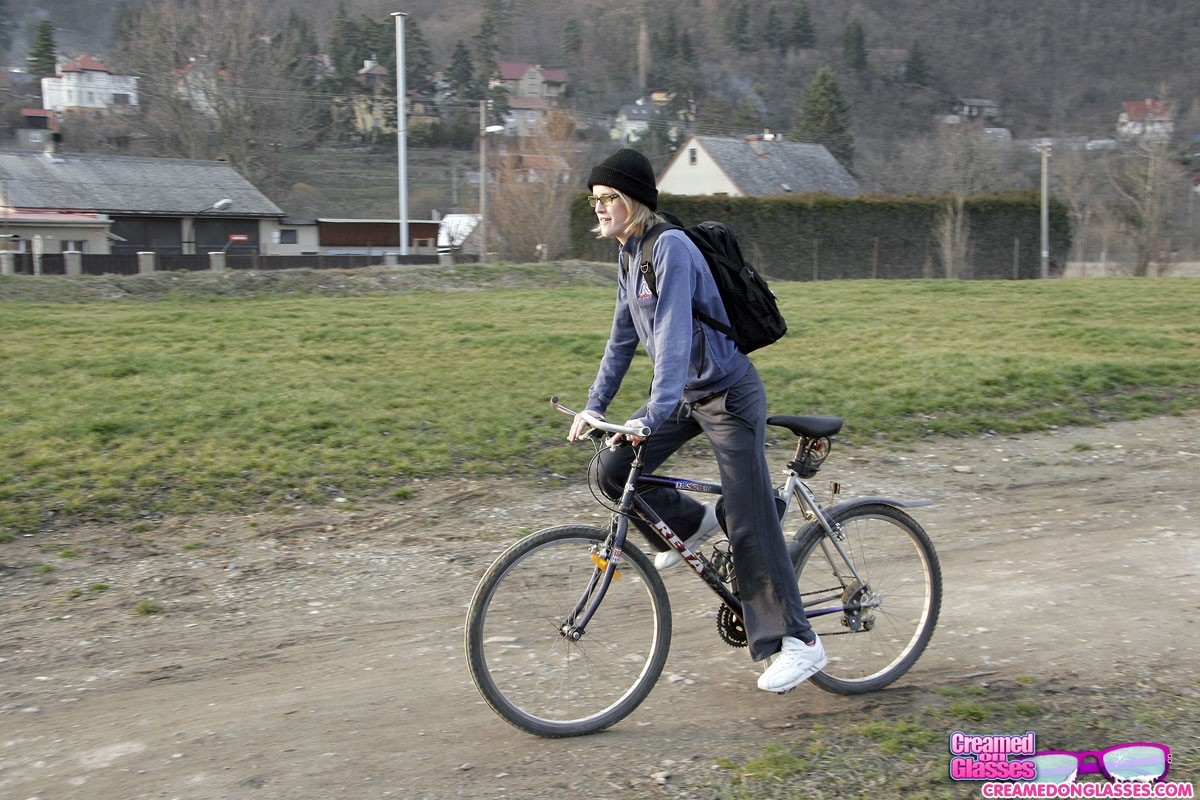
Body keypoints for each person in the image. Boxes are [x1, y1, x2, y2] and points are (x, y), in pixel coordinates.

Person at [567, 148, 827, 693]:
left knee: (750, 518)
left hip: (727, 394)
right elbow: (622, 340)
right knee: (611, 468)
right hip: (682, 394)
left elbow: (675, 336)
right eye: (595, 200)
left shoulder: (672, 248)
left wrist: (650, 415)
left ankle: (800, 642)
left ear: (635, 200)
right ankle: (689, 524)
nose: (600, 208)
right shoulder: (630, 255)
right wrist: (596, 407)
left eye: (609, 198)